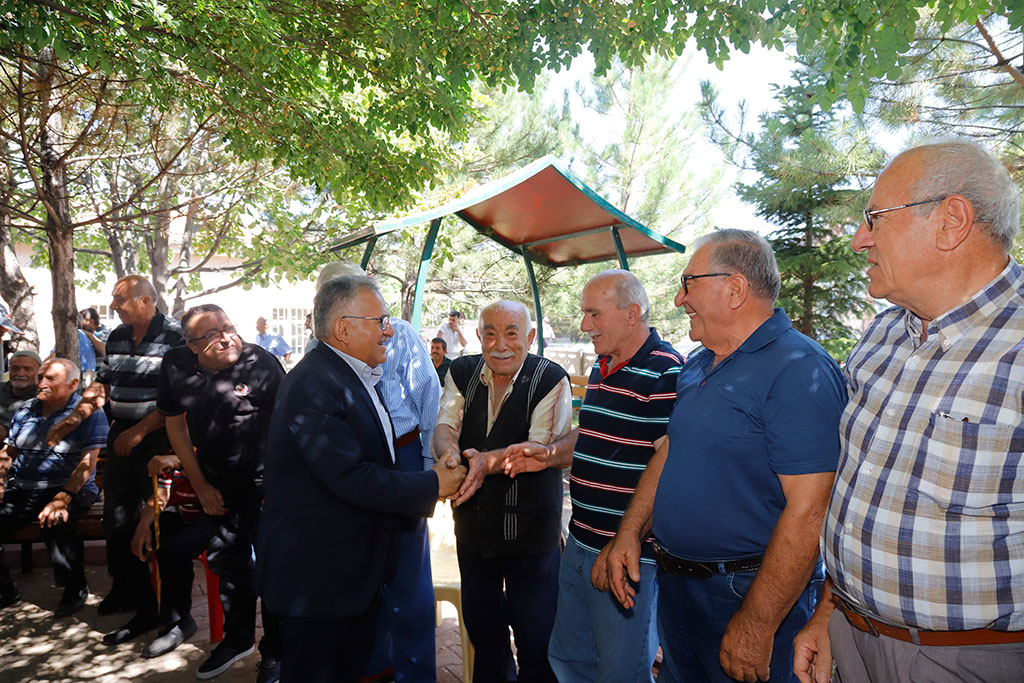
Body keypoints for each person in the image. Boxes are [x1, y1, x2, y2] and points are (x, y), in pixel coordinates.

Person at [793, 141, 1024, 683]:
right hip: (851, 635)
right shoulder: (880, 336)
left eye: (874, 218)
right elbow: (858, 498)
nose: (859, 239)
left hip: (974, 659)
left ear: (951, 221)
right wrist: (829, 613)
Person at [599, 230, 847, 683]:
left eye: (688, 283)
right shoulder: (698, 363)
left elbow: (811, 510)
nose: (679, 299)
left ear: (734, 288)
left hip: (748, 593)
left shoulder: (799, 369)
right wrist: (630, 531)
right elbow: (671, 451)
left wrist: (757, 623)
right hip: (678, 589)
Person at [257, 275, 466, 683]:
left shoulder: (348, 374)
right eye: (380, 321)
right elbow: (347, 476)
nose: (389, 331)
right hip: (319, 581)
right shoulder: (315, 385)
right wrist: (432, 485)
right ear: (343, 328)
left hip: (343, 574)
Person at [503, 269, 683, 682]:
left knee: (620, 671)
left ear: (632, 314)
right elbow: (593, 433)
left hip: (627, 557)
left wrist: (622, 542)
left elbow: (670, 468)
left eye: (594, 314)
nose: (584, 325)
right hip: (580, 543)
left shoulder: (666, 371)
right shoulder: (605, 364)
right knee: (570, 662)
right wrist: (549, 455)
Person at [314, 260, 443, 682]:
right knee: (362, 569)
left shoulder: (397, 332)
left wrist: (428, 471)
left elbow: (429, 397)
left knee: (408, 576)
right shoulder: (320, 348)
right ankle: (374, 669)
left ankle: (414, 674)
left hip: (402, 459)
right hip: (353, 465)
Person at [434, 300, 573, 683]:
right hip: (475, 533)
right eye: (490, 333)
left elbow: (536, 449)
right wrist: (448, 454)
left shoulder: (550, 379)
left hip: (532, 536)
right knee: (484, 634)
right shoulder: (461, 371)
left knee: (536, 639)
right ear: (478, 335)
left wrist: (482, 463)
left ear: (529, 336)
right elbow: (446, 424)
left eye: (512, 333)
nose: (500, 345)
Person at [146, 304, 284, 681]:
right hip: (218, 488)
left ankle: (275, 653)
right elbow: (175, 426)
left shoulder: (261, 362)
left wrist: (282, 485)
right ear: (191, 345)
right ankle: (237, 639)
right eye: (211, 334)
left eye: (228, 328)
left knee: (274, 571)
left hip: (268, 488)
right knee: (229, 565)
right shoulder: (176, 364)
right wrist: (202, 486)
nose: (226, 338)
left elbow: (289, 425)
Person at [49, 275, 184, 645]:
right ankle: (128, 591)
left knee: (157, 523)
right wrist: (73, 418)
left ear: (144, 300)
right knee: (117, 520)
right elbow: (103, 385)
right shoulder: (118, 335)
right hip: (121, 432)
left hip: (158, 436)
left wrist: (139, 432)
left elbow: (179, 398)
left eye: (119, 299)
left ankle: (157, 612)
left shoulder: (174, 335)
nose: (112, 306)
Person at [0, 358, 108, 617]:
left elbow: (88, 462)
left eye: (50, 379)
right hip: (24, 489)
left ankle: (75, 588)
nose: (41, 383)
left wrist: (63, 498)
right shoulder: (26, 410)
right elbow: (8, 452)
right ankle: (5, 588)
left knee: (56, 523)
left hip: (71, 488)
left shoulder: (87, 413)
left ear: (73, 384)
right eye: (41, 377)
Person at [0, 350, 42, 441]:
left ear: (39, 372)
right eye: (15, 368)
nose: (20, 373)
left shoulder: (41, 398)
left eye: (27, 369)